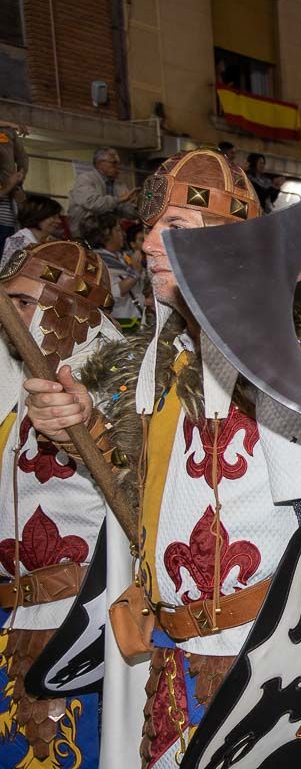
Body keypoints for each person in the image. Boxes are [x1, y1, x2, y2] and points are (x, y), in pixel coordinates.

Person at [22, 148, 301, 768]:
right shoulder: (159, 363)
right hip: (173, 665)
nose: (152, 244)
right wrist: (77, 431)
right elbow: (142, 504)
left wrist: (300, 694)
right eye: (153, 226)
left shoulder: (283, 361)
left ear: (234, 247)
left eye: (183, 229)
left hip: (263, 677)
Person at [0, 240, 124, 769]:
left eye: (24, 302)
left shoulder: (114, 388)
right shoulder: (11, 377)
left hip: (76, 626)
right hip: (11, 619)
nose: (9, 313)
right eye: (7, 299)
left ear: (68, 309)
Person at [82, 212, 143, 325]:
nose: (123, 234)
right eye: (118, 230)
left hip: (135, 319)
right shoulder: (97, 262)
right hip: (119, 322)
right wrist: (135, 274)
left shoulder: (120, 258)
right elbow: (111, 294)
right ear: (106, 234)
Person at [67, 148, 138, 232]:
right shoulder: (85, 179)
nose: (118, 167)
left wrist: (137, 206)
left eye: (118, 163)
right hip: (86, 232)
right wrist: (119, 200)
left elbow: (125, 211)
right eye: (114, 163)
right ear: (100, 164)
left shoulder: (119, 185)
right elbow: (93, 203)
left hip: (111, 233)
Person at [1, 194, 62, 266]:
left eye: (58, 217)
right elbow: (8, 274)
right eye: (53, 217)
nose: (59, 221)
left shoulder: (50, 241)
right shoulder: (18, 242)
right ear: (38, 216)